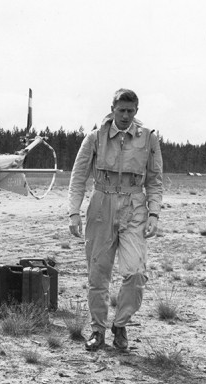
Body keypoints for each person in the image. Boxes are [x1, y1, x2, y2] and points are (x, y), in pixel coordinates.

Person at [68, 88, 163, 352]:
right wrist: (73, 212)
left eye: (130, 111)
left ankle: (120, 324)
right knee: (98, 275)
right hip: (101, 206)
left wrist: (153, 213)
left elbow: (155, 180)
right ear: (112, 109)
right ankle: (97, 330)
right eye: (121, 110)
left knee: (136, 273)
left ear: (136, 111)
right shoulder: (95, 138)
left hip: (134, 208)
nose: (125, 116)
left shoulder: (149, 139)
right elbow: (78, 178)